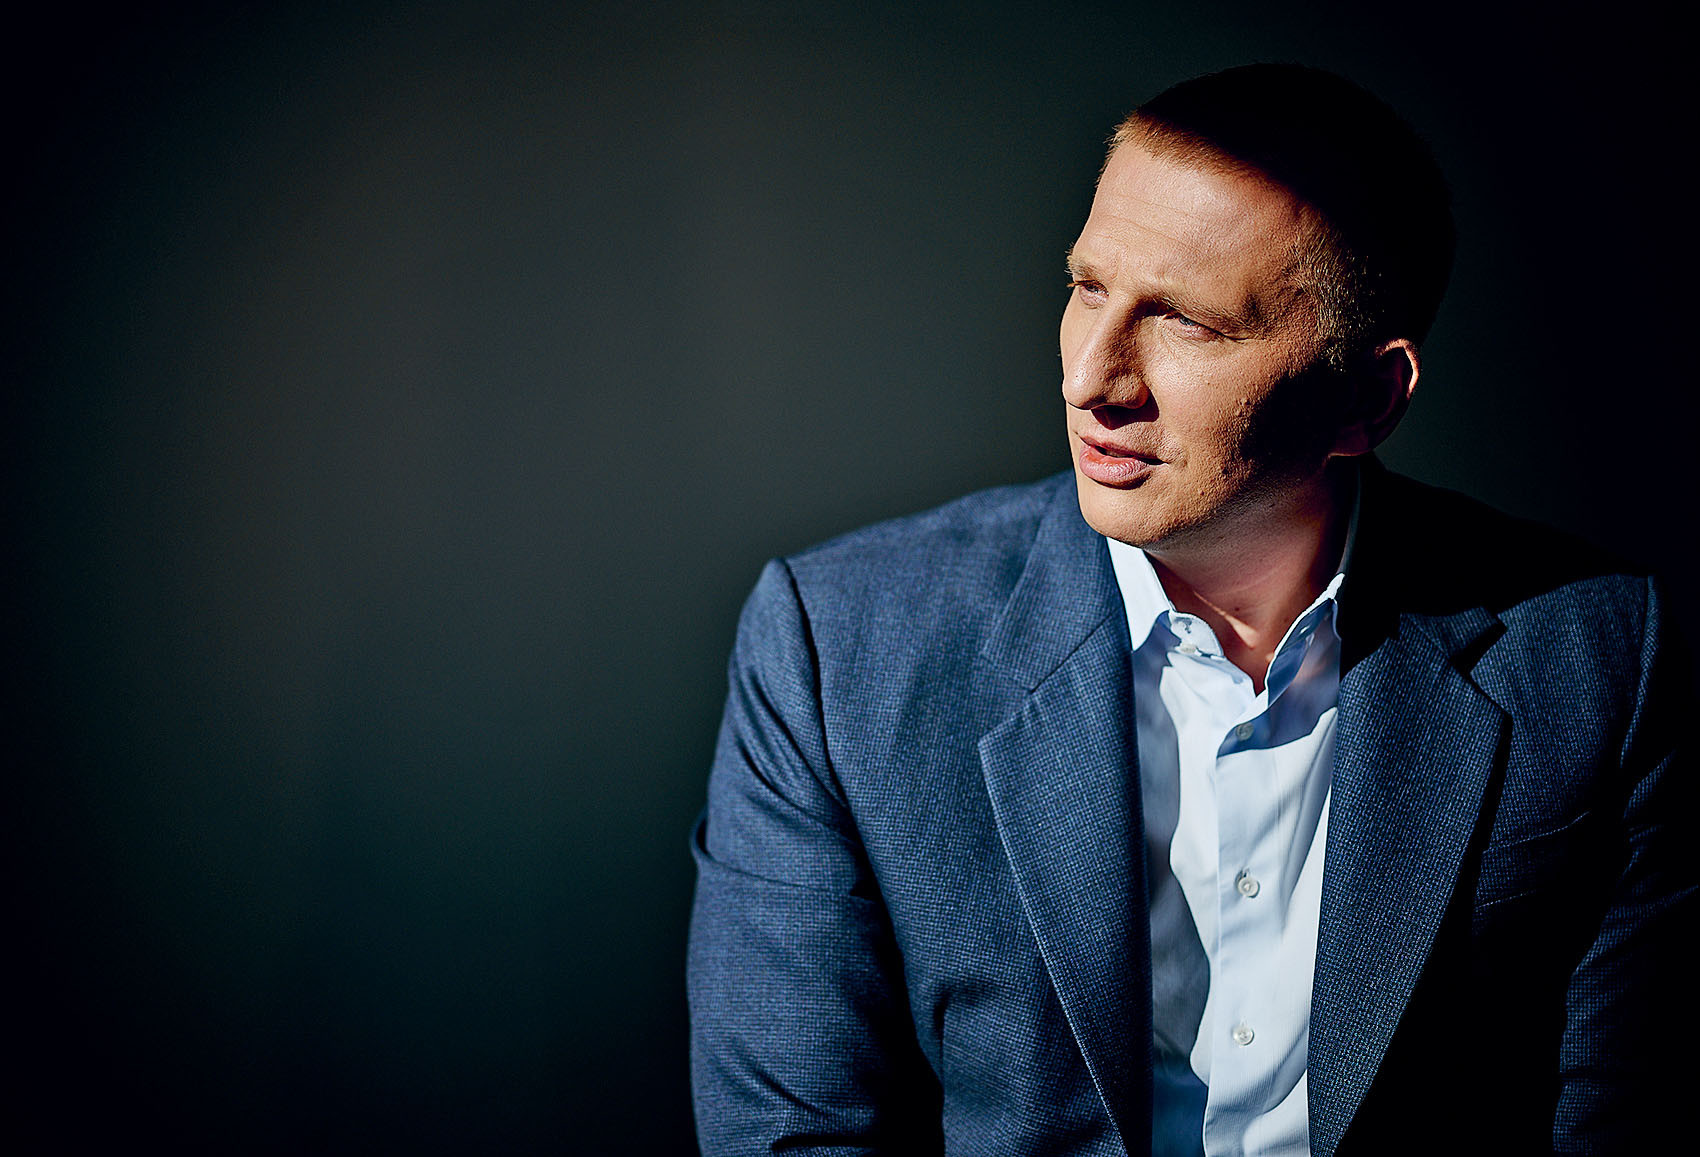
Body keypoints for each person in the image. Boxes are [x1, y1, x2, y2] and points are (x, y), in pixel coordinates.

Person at [686, 64, 1691, 1156]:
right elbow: (793, 1134)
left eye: (1188, 323)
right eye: (1086, 288)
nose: (1092, 379)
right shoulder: (836, 648)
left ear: (1364, 397)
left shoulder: (1599, 658)